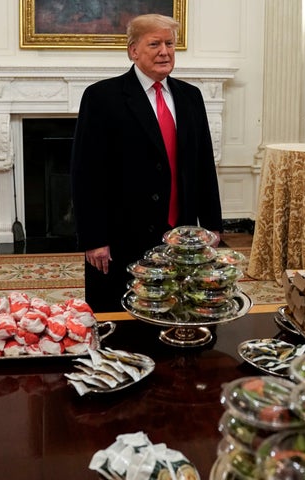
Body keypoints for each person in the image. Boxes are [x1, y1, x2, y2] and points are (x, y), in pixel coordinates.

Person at [70, 13, 223, 313]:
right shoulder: (102, 97)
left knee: (177, 312)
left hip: (181, 236)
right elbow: (85, 173)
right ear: (133, 50)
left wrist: (213, 226)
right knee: (120, 323)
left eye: (169, 43)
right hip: (120, 239)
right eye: (154, 43)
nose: (164, 51)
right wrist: (94, 238)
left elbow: (204, 166)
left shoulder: (191, 97)